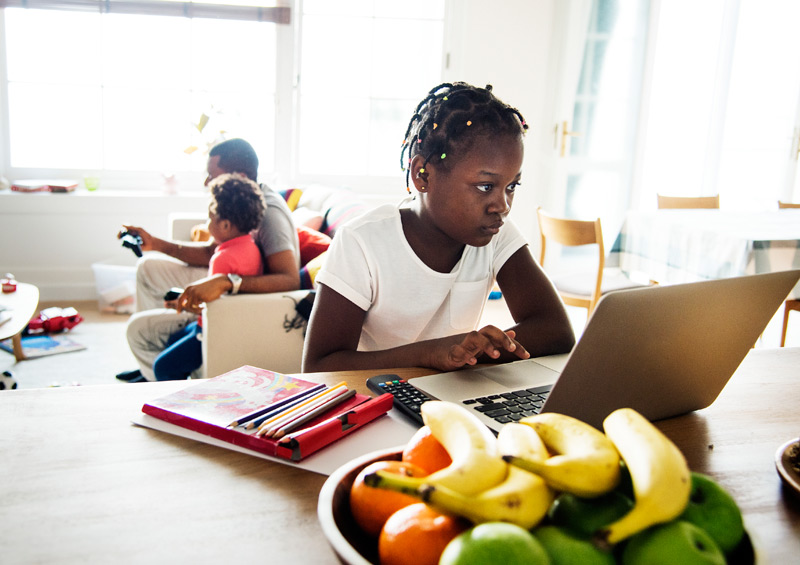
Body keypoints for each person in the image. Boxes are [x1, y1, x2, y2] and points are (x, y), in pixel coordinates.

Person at [302, 82, 575, 373]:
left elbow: (556, 330)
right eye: (485, 186)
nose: (502, 205)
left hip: (450, 399)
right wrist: (431, 353)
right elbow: (320, 365)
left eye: (511, 187)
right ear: (423, 175)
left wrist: (473, 351)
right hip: (377, 403)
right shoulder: (362, 242)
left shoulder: (495, 234)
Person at [119, 138, 300, 383]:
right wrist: (155, 244)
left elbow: (290, 280)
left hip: (241, 293)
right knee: (148, 267)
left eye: (212, 175)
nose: (206, 182)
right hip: (230, 277)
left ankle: (155, 372)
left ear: (242, 175)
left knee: (150, 339)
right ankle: (149, 366)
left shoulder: (270, 214)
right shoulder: (241, 203)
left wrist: (226, 282)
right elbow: (211, 253)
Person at [152, 174, 265, 380]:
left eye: (210, 218)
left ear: (225, 226)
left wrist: (184, 302)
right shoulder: (253, 248)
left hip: (212, 331)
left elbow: (210, 306)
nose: (207, 223)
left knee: (162, 367)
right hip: (227, 324)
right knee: (172, 340)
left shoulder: (223, 258)